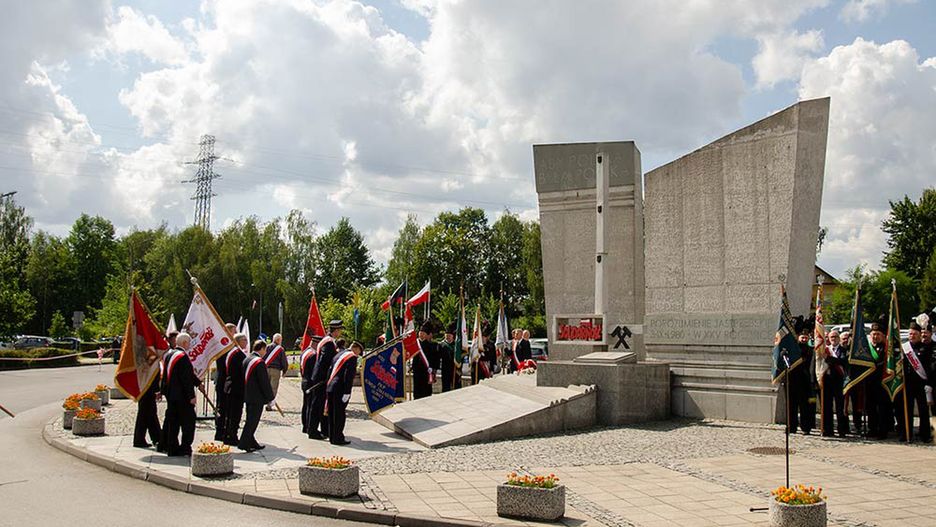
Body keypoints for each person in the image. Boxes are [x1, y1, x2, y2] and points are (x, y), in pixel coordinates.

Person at [159, 332, 198, 456]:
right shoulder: (183, 357)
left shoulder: (169, 354)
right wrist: (191, 396)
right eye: (189, 342)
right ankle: (185, 447)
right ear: (185, 343)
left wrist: (198, 382)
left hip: (171, 394)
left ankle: (172, 447)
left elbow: (166, 375)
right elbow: (186, 379)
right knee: (189, 422)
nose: (190, 345)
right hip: (182, 396)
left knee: (173, 422)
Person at [135, 332, 172, 448]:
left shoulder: (148, 353)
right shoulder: (148, 354)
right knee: (145, 414)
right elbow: (150, 372)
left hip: (147, 388)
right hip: (146, 388)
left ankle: (156, 437)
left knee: (150, 413)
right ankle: (140, 439)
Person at [308, 320, 343, 440]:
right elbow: (326, 361)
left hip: (320, 377)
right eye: (339, 330)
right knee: (317, 405)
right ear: (336, 330)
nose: (340, 332)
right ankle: (313, 431)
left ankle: (323, 430)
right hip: (321, 378)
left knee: (321, 404)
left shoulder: (327, 340)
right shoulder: (328, 343)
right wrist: (327, 376)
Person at [899, 321, 932, 442]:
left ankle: (925, 435)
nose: (912, 336)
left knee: (923, 410)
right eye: (910, 334)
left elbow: (929, 367)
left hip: (921, 383)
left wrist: (929, 383)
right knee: (907, 409)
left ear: (919, 335)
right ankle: (906, 433)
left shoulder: (925, 348)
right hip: (907, 383)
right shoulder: (904, 348)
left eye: (914, 334)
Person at [239, 340, 274, 452]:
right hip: (256, 396)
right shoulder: (259, 362)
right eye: (265, 350)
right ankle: (244, 443)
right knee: (252, 421)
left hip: (248, 394)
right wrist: (271, 398)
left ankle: (251, 441)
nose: (265, 352)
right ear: (262, 348)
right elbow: (264, 382)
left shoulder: (247, 359)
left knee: (250, 419)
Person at [326, 341, 362, 445]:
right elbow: (348, 376)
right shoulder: (352, 357)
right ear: (356, 348)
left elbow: (330, 370)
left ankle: (332, 436)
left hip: (331, 386)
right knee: (339, 414)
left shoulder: (339, 354)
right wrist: (347, 392)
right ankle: (338, 438)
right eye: (359, 352)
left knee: (331, 413)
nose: (358, 354)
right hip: (340, 389)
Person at [788, 319, 814, 435]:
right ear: (798, 337)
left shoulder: (811, 350)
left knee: (805, 406)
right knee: (792, 405)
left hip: (805, 381)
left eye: (806, 337)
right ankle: (792, 426)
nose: (804, 339)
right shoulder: (792, 349)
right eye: (802, 337)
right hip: (792, 380)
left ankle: (806, 427)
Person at [866, 319, 891, 439]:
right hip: (869, 383)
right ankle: (872, 429)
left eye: (878, 334)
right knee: (870, 407)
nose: (875, 337)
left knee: (882, 408)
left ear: (883, 335)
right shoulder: (867, 348)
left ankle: (883, 430)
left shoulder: (886, 349)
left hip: (882, 383)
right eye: (873, 334)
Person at [820, 330, 848, 438]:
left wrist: (828, 358)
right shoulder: (825, 350)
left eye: (835, 337)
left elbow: (842, 361)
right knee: (827, 407)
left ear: (839, 338)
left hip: (839, 381)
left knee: (840, 407)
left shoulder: (843, 350)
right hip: (827, 381)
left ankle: (841, 430)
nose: (833, 339)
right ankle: (828, 430)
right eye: (831, 337)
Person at [222, 333, 249, 446]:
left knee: (230, 413)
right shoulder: (238, 354)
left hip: (230, 386)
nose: (246, 342)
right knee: (235, 414)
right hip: (236, 387)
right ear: (238, 341)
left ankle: (228, 435)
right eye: (244, 340)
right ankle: (232, 436)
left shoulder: (232, 352)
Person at [213, 323, 237, 441]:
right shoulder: (224, 345)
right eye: (234, 331)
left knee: (225, 407)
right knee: (223, 407)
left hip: (224, 380)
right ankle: (220, 431)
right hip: (224, 380)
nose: (235, 333)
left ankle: (223, 430)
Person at [299, 336, 321, 435]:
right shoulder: (313, 355)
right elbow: (314, 372)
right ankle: (309, 426)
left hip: (304, 380)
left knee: (305, 405)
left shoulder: (305, 352)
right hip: (310, 383)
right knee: (310, 406)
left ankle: (305, 425)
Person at [264, 333, 289, 411]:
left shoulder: (267, 347)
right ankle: (269, 405)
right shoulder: (280, 349)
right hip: (276, 370)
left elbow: (263, 357)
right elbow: (284, 361)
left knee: (265, 386)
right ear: (278, 340)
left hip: (266, 369)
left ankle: (263, 401)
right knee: (273, 388)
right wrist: (284, 370)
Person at [413, 322, 436, 399]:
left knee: (426, 391)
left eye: (423, 333)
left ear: (427, 335)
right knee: (417, 390)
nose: (421, 334)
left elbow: (433, 358)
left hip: (427, 371)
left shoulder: (431, 345)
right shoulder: (415, 344)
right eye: (420, 333)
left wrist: (433, 369)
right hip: (417, 370)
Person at [439, 324, 458, 391]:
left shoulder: (456, 345)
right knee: (446, 386)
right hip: (445, 369)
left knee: (456, 386)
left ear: (452, 336)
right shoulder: (441, 345)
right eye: (446, 335)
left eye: (449, 336)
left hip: (455, 368)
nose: (448, 337)